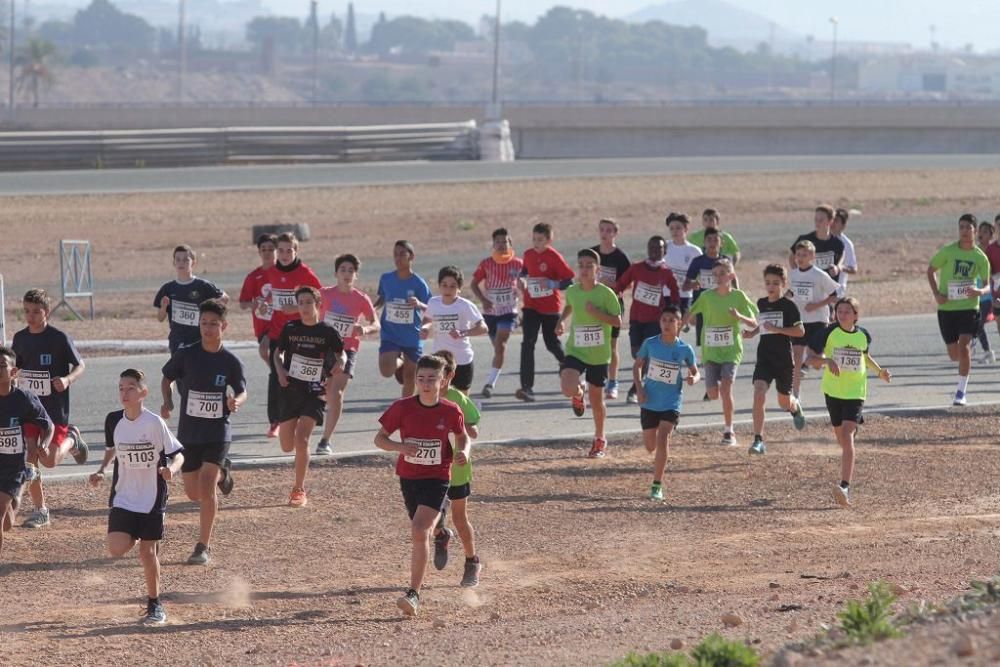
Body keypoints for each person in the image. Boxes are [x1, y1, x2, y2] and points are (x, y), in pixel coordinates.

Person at [374, 355, 469, 616]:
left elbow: (462, 437)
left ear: (443, 380)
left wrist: (465, 453)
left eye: (431, 379)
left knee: (418, 530)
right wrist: (400, 447)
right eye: (421, 378)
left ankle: (413, 594)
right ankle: (442, 534)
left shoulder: (451, 410)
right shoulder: (402, 407)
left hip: (438, 477)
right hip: (409, 476)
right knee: (425, 529)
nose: (425, 384)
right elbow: (379, 439)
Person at [90, 368, 185, 626]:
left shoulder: (155, 423)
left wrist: (171, 470)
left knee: (146, 553)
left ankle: (155, 604)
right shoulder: (113, 420)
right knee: (116, 548)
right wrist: (101, 471)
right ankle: (142, 538)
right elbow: (113, 449)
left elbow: (178, 454)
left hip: (152, 496)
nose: (125, 393)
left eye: (131, 387)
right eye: (121, 388)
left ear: (143, 392)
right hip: (124, 496)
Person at [160, 299, 246, 565]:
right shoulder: (187, 354)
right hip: (189, 433)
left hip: (218, 431)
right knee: (193, 493)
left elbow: (242, 390)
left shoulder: (230, 361)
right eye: (204, 323)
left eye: (214, 324)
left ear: (224, 326)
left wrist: (236, 401)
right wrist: (168, 401)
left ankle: (202, 546)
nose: (208, 329)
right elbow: (167, 378)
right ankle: (224, 473)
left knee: (206, 485)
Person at [12, 288, 88, 530]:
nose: (30, 316)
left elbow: (80, 365)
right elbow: (18, 366)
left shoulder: (58, 338)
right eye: (26, 311)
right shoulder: (20, 338)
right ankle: (40, 510)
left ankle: (73, 440)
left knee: (50, 461)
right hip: (30, 409)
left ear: (46, 312)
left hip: (55, 410)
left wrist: (67, 379)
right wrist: (14, 375)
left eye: (35, 311)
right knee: (30, 455)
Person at [805, 298, 891, 507]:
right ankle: (850, 440)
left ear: (855, 315)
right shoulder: (827, 333)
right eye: (839, 311)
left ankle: (844, 486)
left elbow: (865, 357)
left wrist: (880, 372)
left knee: (846, 435)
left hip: (855, 392)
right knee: (842, 439)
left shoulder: (863, 335)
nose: (842, 314)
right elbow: (809, 360)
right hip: (833, 392)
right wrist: (827, 361)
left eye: (847, 311)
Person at [273, 286, 345, 508]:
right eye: (301, 302)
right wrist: (280, 371)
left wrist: (340, 362)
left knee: (302, 438)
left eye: (308, 302)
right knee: (287, 446)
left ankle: (298, 489)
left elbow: (340, 352)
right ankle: (297, 466)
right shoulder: (290, 328)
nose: (304, 307)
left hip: (315, 392)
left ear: (317, 304)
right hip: (291, 390)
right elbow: (277, 353)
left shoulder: (327, 332)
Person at [683, 258, 757, 447]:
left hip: (731, 350)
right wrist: (676, 331)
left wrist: (739, 317)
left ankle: (729, 431)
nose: (718, 277)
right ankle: (727, 425)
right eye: (715, 274)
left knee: (725, 389)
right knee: (713, 393)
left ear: (731, 275)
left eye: (722, 273)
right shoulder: (707, 296)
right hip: (711, 352)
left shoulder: (739, 297)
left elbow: (755, 321)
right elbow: (690, 313)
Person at [557, 248, 623, 458]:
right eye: (581, 265)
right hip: (576, 350)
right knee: (567, 386)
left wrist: (597, 313)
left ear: (598, 269)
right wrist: (561, 321)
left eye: (589, 265)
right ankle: (578, 394)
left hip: (598, 355)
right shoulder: (574, 291)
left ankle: (599, 438)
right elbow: (569, 306)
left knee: (596, 400)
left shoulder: (605, 294)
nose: (584, 269)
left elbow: (617, 321)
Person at [314, 253, 379, 455]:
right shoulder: (324, 294)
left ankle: (325, 440)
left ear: (356, 275)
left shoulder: (361, 299)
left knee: (337, 392)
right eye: (343, 270)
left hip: (348, 349)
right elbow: (307, 311)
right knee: (324, 391)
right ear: (336, 273)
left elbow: (375, 323)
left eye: (351, 270)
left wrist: (365, 330)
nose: (347, 274)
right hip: (323, 348)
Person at [633, 306, 699, 501]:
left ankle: (656, 485)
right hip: (650, 401)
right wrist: (639, 388)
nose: (667, 323)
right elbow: (637, 367)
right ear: (659, 322)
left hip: (671, 402)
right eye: (664, 320)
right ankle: (657, 472)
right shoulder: (650, 344)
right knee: (650, 446)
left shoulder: (684, 349)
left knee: (663, 439)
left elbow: (696, 372)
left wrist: (693, 379)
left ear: (679, 324)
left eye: (672, 320)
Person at [429, 350, 482, 588]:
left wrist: (467, 436)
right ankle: (441, 535)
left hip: (457, 468)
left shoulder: (458, 399)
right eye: (430, 376)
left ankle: (472, 562)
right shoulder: (423, 398)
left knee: (460, 519)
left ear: (449, 376)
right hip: (431, 467)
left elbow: (472, 427)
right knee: (430, 518)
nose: (435, 382)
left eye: (440, 376)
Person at [927, 214, 991, 406]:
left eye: (968, 227)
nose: (964, 231)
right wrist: (937, 294)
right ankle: (967, 351)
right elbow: (931, 270)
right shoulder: (948, 251)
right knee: (954, 354)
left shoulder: (980, 257)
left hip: (969, 307)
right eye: (961, 227)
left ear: (975, 231)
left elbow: (988, 285)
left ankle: (961, 392)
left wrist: (979, 291)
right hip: (947, 308)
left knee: (963, 349)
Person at [743, 265, 807, 455]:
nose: (771, 286)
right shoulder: (761, 303)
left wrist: (778, 330)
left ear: (783, 284)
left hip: (783, 359)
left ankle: (795, 406)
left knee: (783, 403)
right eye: (768, 282)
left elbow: (800, 331)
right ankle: (758, 440)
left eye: (776, 283)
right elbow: (764, 325)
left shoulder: (789, 306)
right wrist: (752, 333)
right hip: (764, 356)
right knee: (759, 391)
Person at [264, 232, 322, 438]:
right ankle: (275, 421)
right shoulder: (271, 271)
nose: (285, 254)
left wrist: (297, 310)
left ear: (296, 251)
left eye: (289, 250)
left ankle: (301, 416)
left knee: (298, 376)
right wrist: (267, 302)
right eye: (280, 250)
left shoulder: (305, 272)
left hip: (300, 333)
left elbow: (320, 297)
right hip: (278, 333)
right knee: (275, 376)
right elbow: (274, 293)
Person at [0, 345, 53, 560]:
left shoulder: (23, 398)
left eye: (2, 365)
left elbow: (47, 424)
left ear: (14, 372)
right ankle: (23, 487)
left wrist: (46, 443)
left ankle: (24, 478)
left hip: (13, 467)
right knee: (7, 524)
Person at [615, 235, 680, 404]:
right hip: (636, 318)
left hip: (654, 320)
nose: (654, 251)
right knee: (636, 354)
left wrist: (673, 311)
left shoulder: (666, 272)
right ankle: (649, 381)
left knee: (645, 355)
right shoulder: (636, 268)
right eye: (651, 247)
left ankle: (635, 389)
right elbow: (621, 284)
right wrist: (614, 296)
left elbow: (675, 293)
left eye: (658, 248)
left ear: (664, 251)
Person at [517, 222, 575, 402]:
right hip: (531, 306)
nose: (536, 243)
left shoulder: (554, 257)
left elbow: (569, 281)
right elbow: (524, 271)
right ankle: (527, 387)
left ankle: (568, 366)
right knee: (528, 344)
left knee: (551, 342)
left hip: (550, 308)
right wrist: (522, 280)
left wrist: (552, 284)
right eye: (534, 239)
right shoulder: (528, 254)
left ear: (549, 240)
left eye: (540, 240)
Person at [470, 227, 524, 399]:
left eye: (505, 241)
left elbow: (524, 283)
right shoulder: (486, 263)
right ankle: (493, 377)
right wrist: (484, 300)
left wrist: (523, 287)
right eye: (498, 242)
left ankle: (489, 384)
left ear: (510, 243)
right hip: (490, 313)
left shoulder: (518, 264)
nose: (501, 245)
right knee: (498, 349)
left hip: (509, 311)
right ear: (493, 244)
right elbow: (473, 284)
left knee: (500, 345)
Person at [375, 240, 432, 398]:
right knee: (386, 371)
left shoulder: (419, 284)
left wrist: (419, 305)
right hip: (390, 333)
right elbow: (381, 299)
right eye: (395, 254)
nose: (398, 258)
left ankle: (405, 408)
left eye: (402, 254)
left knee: (410, 377)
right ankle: (398, 362)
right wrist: (372, 309)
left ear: (411, 256)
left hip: (412, 335)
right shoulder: (386, 278)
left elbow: (432, 309)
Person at [788, 240, 841, 400]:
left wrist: (817, 305)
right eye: (798, 255)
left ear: (812, 256)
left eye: (804, 255)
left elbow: (835, 295)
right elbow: (792, 292)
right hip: (799, 321)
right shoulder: (794, 274)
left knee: (815, 361)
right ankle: (795, 396)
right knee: (797, 358)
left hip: (818, 321)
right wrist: (784, 299)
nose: (800, 258)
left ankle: (827, 362)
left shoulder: (819, 275)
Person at [422, 266, 488, 393]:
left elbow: (483, 328)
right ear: (439, 285)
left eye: (452, 286)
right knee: (439, 398)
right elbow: (428, 319)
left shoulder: (465, 306)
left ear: (459, 289)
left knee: (461, 401)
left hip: (462, 360)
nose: (448, 289)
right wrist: (425, 328)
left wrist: (463, 332)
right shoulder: (433, 303)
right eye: (444, 285)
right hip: (440, 360)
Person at [154, 244, 227, 354]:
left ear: (193, 262)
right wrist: (164, 307)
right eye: (178, 259)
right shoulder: (168, 288)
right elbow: (160, 318)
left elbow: (224, 298)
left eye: (185, 260)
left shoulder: (202, 285)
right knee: (179, 371)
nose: (181, 263)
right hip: (177, 341)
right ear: (174, 263)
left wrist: (212, 310)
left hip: (199, 340)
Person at [591, 218, 631, 400]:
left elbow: (628, 283)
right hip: (595, 304)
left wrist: (614, 285)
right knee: (594, 343)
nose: (604, 233)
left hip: (613, 304)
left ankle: (613, 382)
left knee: (612, 345)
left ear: (615, 233)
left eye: (608, 230)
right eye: (602, 230)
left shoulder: (620, 257)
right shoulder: (592, 254)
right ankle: (595, 378)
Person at [684, 227, 738, 356]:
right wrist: (693, 284)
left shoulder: (726, 261)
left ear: (721, 243)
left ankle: (723, 358)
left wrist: (737, 296)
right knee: (705, 337)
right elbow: (685, 285)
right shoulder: (698, 262)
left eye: (716, 240)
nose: (712, 243)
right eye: (709, 240)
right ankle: (709, 361)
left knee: (723, 333)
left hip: (723, 304)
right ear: (704, 242)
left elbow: (734, 280)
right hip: (705, 305)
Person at [238, 233, 278, 369]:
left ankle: (280, 374)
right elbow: (243, 303)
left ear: (277, 250)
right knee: (265, 351)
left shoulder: (284, 273)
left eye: (271, 249)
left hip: (282, 322)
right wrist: (253, 304)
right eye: (264, 249)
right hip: (263, 325)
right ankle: (277, 373)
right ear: (259, 252)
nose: (267, 253)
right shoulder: (253, 277)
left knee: (274, 352)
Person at [788, 206, 845, 282]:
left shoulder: (837, 243)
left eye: (821, 220)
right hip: (810, 285)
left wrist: (837, 267)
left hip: (829, 287)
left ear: (830, 221)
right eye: (816, 219)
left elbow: (842, 254)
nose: (817, 222)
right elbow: (791, 257)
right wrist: (799, 274)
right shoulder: (805, 239)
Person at [663, 213, 703, 316]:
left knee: (679, 323)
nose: (675, 231)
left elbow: (702, 273)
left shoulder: (694, 251)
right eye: (671, 228)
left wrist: (695, 284)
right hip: (666, 293)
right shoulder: (665, 246)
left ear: (686, 229)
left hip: (684, 295)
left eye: (678, 228)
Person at [973, 221, 996, 364]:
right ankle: (987, 351)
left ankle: (987, 351)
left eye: (985, 231)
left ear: (991, 235)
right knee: (977, 324)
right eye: (980, 231)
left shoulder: (993, 251)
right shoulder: (974, 250)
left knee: (979, 324)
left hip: (990, 294)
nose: (981, 234)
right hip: (977, 294)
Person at [831, 209, 858, 297]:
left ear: (843, 225)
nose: (833, 223)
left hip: (837, 289)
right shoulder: (820, 239)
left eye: (836, 221)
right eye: (832, 219)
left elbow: (853, 269)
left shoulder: (846, 244)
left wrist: (840, 268)